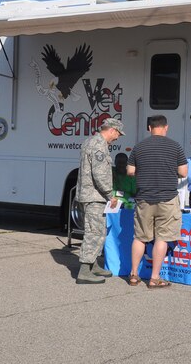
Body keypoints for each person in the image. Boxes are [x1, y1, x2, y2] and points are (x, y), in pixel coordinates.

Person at [126, 115, 187, 289]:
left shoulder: (139, 147)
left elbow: (130, 171)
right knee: (163, 238)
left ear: (149, 128)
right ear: (166, 127)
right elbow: (183, 172)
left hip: (144, 198)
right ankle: (154, 278)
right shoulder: (175, 147)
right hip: (167, 199)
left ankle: (133, 275)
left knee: (140, 237)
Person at [75, 117, 124, 284]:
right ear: (111, 130)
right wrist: (111, 195)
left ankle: (93, 265)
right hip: (94, 197)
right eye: (118, 133)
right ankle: (84, 271)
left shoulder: (90, 141)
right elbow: (100, 174)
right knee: (95, 232)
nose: (117, 137)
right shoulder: (99, 145)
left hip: (88, 195)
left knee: (95, 231)